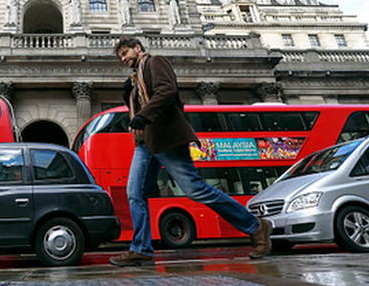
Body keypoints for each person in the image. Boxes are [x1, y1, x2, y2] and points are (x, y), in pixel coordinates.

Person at [109, 37, 272, 267]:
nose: (124, 59)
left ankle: (256, 226)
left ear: (138, 48)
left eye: (126, 53)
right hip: (145, 142)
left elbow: (166, 91)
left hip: (166, 138)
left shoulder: (156, 62)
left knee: (195, 189)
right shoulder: (136, 80)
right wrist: (128, 95)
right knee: (134, 193)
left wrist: (143, 116)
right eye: (121, 57)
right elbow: (138, 109)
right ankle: (142, 249)